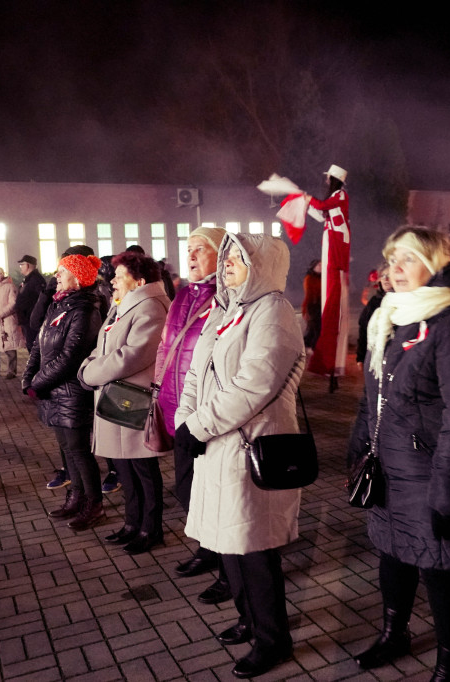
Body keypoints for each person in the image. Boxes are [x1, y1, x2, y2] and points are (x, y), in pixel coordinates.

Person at [346, 227, 450, 681]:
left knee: (439, 569)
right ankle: (394, 633)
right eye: (391, 260)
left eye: (407, 259)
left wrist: (447, 489)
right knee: (393, 556)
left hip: (427, 472)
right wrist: (359, 449)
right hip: (388, 466)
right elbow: (372, 396)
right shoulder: (390, 315)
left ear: (435, 264)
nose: (395, 270)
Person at [175, 233, 305, 679]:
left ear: (262, 265)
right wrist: (184, 419)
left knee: (255, 548)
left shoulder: (273, 310)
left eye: (238, 257)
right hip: (217, 443)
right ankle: (248, 619)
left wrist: (198, 426)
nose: (227, 262)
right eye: (226, 255)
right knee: (228, 542)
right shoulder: (226, 310)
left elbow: (255, 383)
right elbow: (197, 371)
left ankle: (274, 639)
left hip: (252, 447)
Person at [153, 226, 231, 601]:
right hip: (178, 405)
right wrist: (158, 388)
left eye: (202, 248)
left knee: (211, 492)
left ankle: (224, 558)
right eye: (189, 248)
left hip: (211, 414)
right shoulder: (183, 294)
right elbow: (166, 346)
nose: (192, 255)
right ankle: (207, 547)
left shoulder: (227, 297)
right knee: (186, 488)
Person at [79, 252, 171, 554]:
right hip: (115, 397)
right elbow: (102, 345)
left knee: (142, 468)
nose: (112, 280)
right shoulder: (123, 306)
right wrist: (90, 366)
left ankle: (151, 528)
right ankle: (132, 523)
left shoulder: (150, 308)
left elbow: (131, 356)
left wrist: (90, 373)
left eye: (119, 275)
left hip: (133, 399)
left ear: (140, 281)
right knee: (123, 466)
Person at [22, 253, 104, 530]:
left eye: (62, 272)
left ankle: (94, 504)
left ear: (78, 278)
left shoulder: (84, 310)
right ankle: (76, 496)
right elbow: (38, 345)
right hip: (52, 390)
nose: (56, 276)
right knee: (66, 449)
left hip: (71, 392)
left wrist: (38, 382)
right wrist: (28, 377)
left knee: (79, 450)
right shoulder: (58, 306)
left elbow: (70, 357)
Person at [304, 164, 351, 388]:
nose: (325, 182)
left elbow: (323, 206)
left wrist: (307, 199)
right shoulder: (337, 197)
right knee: (328, 309)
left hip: (335, 254)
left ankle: (331, 367)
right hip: (331, 250)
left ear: (333, 179)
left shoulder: (340, 195)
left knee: (333, 308)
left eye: (327, 178)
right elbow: (323, 213)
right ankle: (329, 369)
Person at [355, 263, 391, 367]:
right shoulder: (374, 302)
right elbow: (363, 329)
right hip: (374, 360)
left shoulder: (407, 303)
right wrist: (361, 357)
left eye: (389, 275)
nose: (385, 279)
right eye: (383, 276)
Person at [15, 255, 46, 353]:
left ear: (27, 265)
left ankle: (36, 368)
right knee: (30, 344)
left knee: (33, 346)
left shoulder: (36, 280)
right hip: (27, 319)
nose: (20, 267)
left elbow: (41, 300)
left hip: (32, 319)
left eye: (22, 265)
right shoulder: (28, 279)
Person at [301, 259, 321, 350]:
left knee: (313, 330)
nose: (320, 267)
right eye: (318, 265)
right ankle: (313, 347)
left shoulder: (323, 277)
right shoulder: (309, 278)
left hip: (320, 304)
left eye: (321, 265)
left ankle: (306, 345)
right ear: (313, 267)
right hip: (313, 305)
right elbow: (308, 295)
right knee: (316, 328)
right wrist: (305, 309)